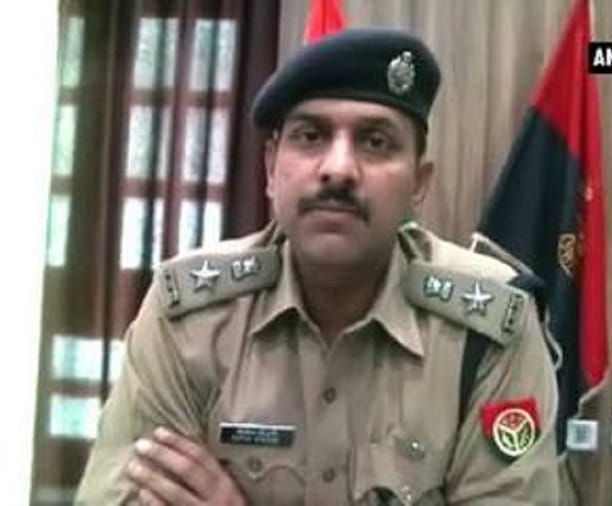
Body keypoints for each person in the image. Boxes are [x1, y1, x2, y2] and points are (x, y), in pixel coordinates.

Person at [76, 28, 559, 505]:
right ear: (271, 168)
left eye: (375, 142)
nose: (339, 169)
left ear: (419, 182)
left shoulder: (490, 326)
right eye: (311, 136)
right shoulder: (189, 316)